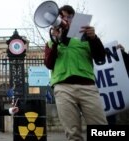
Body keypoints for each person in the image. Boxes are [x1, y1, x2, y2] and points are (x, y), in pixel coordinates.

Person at [44, 5, 108, 141]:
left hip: (88, 87)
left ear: (75, 19)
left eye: (69, 16)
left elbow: (101, 58)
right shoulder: (51, 42)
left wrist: (94, 38)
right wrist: (56, 42)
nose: (65, 19)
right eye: (62, 17)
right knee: (72, 133)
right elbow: (49, 64)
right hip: (63, 89)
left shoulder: (86, 38)